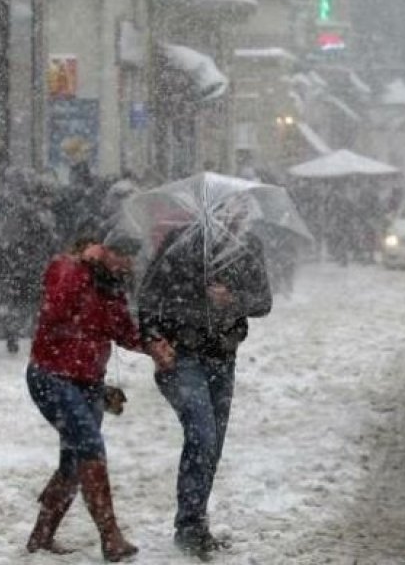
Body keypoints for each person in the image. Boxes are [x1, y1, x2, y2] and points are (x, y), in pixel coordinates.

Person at [138, 199, 272, 558]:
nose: (234, 216)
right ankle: (188, 526)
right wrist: (152, 337)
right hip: (183, 356)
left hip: (223, 357)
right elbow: (148, 296)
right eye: (226, 209)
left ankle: (196, 522)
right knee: (202, 433)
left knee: (212, 444)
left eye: (240, 211)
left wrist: (232, 299)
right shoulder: (180, 244)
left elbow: (263, 301)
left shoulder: (248, 248)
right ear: (207, 211)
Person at [25, 234, 161, 561]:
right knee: (89, 446)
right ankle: (110, 535)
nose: (126, 266)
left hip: (89, 383)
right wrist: (84, 271)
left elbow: (124, 332)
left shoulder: (112, 286)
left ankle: (41, 536)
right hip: (52, 375)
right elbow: (55, 308)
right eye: (121, 258)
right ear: (102, 251)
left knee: (74, 462)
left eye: (130, 261)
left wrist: (153, 346)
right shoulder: (66, 269)